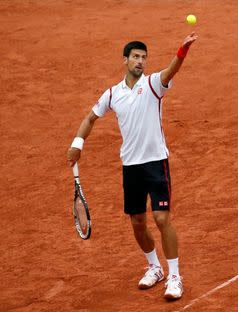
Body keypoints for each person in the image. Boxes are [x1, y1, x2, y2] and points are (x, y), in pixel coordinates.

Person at [67, 32, 198, 300]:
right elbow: (90, 118)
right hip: (131, 167)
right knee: (138, 222)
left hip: (155, 163)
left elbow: (170, 72)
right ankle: (154, 267)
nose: (140, 61)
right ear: (125, 60)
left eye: (144, 57)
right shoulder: (113, 94)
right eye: (136, 57)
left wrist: (182, 51)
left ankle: (174, 275)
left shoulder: (153, 85)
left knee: (162, 219)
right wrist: (77, 144)